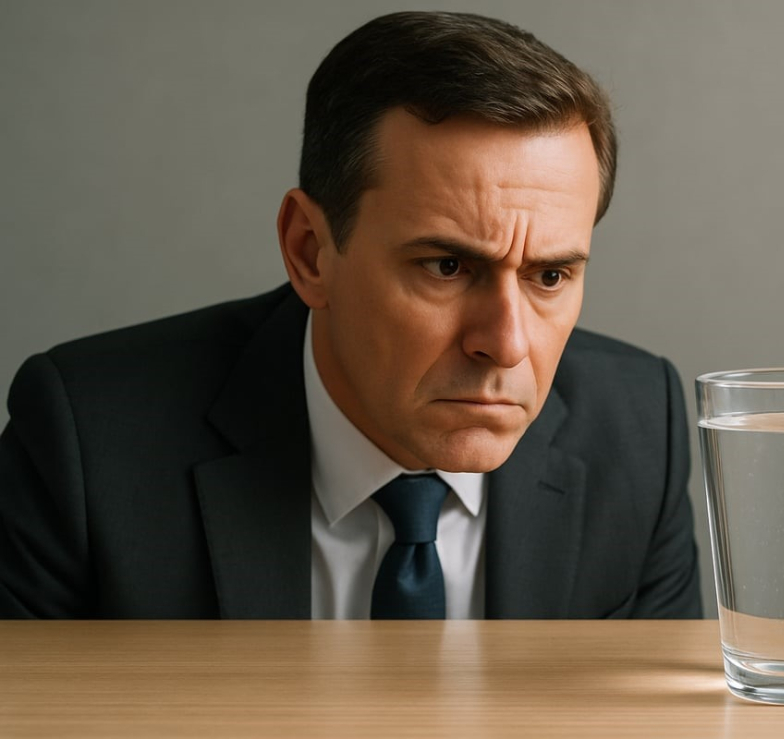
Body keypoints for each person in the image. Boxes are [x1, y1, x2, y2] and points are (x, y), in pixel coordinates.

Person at [0, 11, 700, 619]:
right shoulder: (87, 438)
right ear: (309, 252)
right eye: (447, 267)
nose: (508, 344)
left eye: (549, 275)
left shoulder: (641, 435)